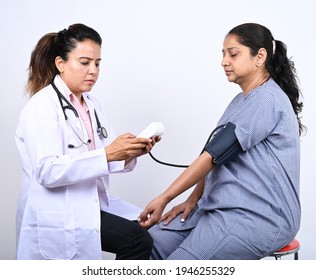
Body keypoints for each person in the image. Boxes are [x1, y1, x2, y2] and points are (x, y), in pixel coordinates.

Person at [138, 23, 304, 260]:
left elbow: (211, 156)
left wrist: (165, 198)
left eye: (233, 54)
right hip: (216, 208)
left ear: (260, 56)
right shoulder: (240, 101)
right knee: (147, 244)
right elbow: (220, 159)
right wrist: (192, 200)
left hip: (258, 217)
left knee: (180, 265)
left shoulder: (267, 100)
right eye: (223, 54)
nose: (224, 61)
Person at [15, 23, 160, 260]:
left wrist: (130, 153)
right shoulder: (42, 107)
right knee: (136, 240)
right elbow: (47, 171)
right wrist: (109, 154)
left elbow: (104, 156)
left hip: (88, 206)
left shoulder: (91, 104)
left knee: (150, 231)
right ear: (60, 63)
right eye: (84, 62)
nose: (93, 70)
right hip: (58, 213)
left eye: (97, 63)